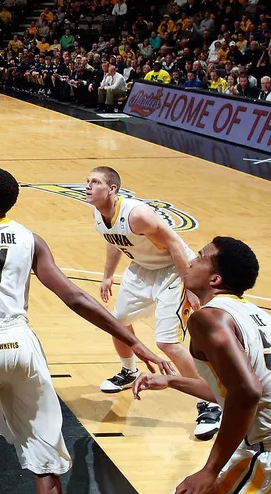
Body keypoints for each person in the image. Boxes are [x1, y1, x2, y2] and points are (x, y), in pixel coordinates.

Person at [0, 94, 173, 494]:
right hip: (22, 344)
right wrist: (134, 341)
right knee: (45, 458)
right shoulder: (31, 239)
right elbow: (77, 299)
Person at [86, 166, 222, 439]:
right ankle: (128, 371)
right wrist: (108, 275)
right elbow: (114, 240)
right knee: (118, 324)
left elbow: (173, 243)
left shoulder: (138, 215)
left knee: (167, 342)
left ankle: (209, 401)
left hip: (173, 270)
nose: (87, 186)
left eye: (95, 182)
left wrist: (192, 285)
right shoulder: (99, 212)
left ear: (112, 189)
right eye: (87, 181)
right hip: (141, 269)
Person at [133, 237, 267, 494]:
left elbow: (248, 392)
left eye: (200, 257)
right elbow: (235, 390)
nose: (191, 261)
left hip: (262, 450)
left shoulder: (208, 318)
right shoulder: (256, 314)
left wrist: (210, 470)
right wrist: (172, 381)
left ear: (215, 280)